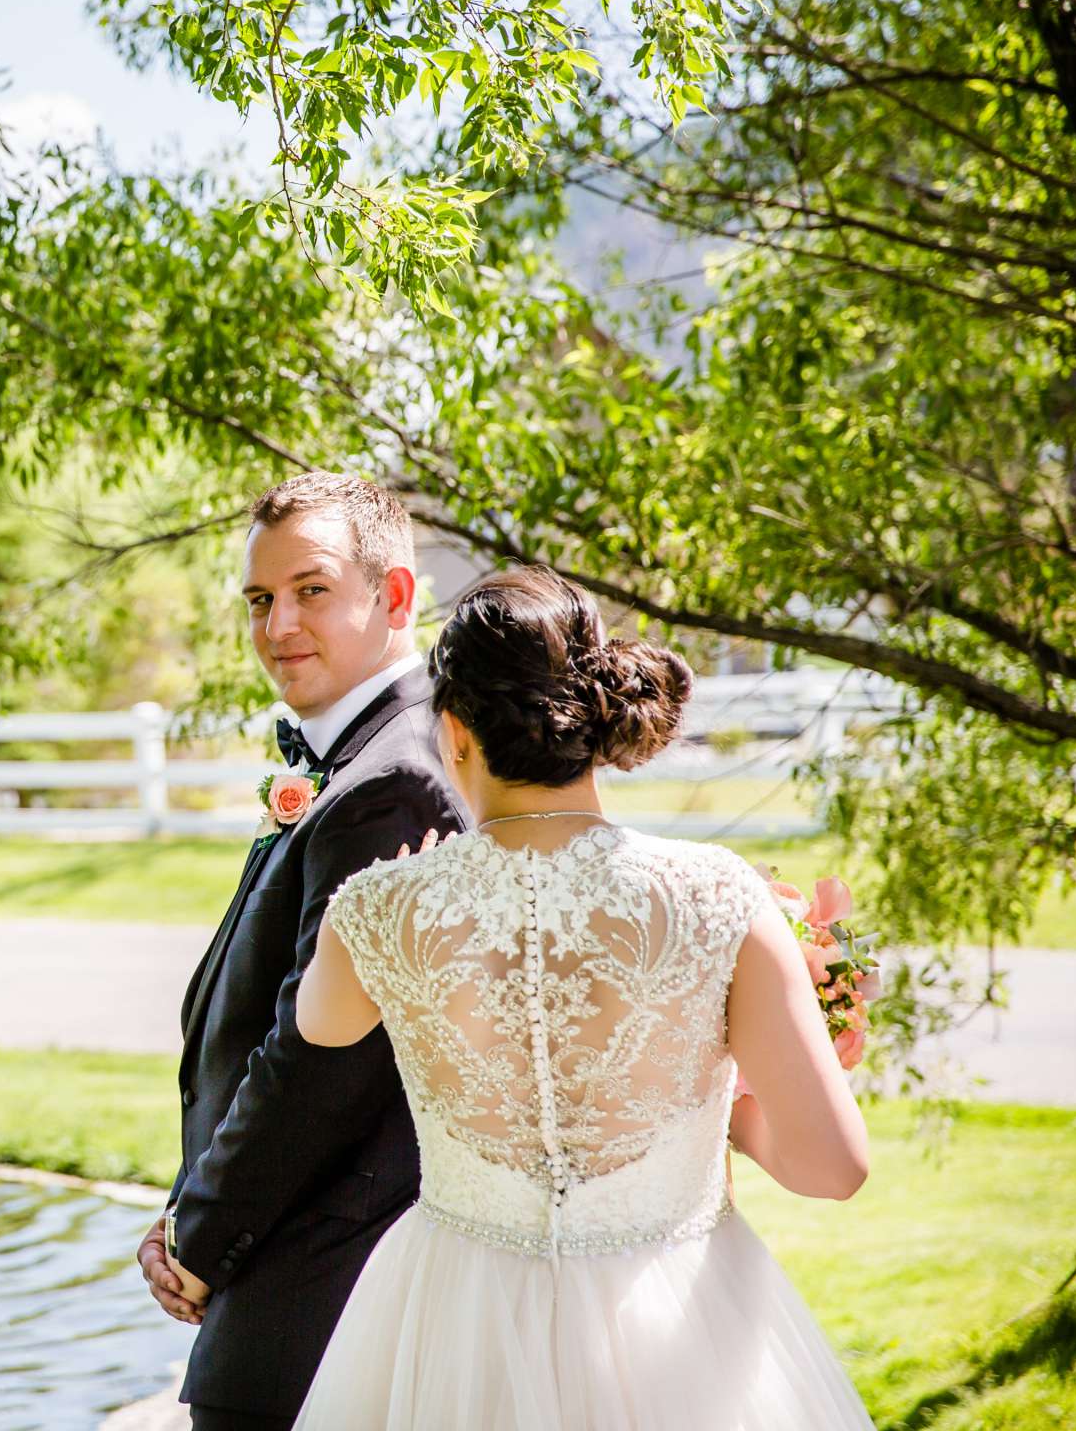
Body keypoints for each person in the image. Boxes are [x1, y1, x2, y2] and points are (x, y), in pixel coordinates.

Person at [291, 565, 873, 1430]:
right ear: (596, 722)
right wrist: (727, 1119)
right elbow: (835, 1169)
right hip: (674, 1321)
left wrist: (405, 894)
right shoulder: (715, 895)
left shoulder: (381, 906)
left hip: (452, 1320)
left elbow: (321, 1024)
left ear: (452, 732)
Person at [142, 472, 468, 1430]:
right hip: (287, 1262)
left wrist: (196, 1236)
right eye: (259, 598)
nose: (277, 623)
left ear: (395, 595)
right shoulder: (356, 763)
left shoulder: (393, 782)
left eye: (311, 590)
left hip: (323, 1294)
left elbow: (317, 1067)